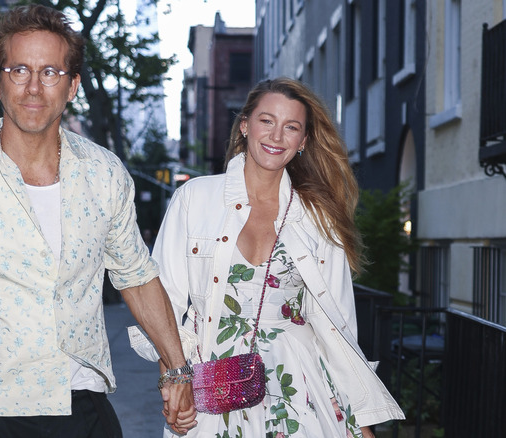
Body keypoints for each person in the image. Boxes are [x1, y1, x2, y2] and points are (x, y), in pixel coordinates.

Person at [0, 4, 195, 437]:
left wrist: (177, 369)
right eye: (19, 70)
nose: (34, 87)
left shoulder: (104, 173)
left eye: (50, 72)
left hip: (85, 407)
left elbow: (136, 277)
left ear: (72, 85)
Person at [131, 77, 404, 437]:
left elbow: (340, 328)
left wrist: (359, 423)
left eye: (291, 127)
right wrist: (174, 380)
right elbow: (162, 303)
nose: (277, 136)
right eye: (267, 121)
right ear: (244, 125)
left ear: (303, 141)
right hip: (214, 385)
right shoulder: (194, 199)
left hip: (299, 386)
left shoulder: (318, 217)